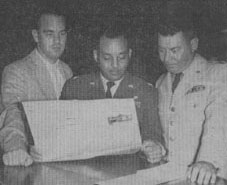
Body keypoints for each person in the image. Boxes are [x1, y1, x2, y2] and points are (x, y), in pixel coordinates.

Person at [155, 1, 227, 184]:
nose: (167, 59)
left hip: (208, 177)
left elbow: (220, 116)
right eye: (162, 51)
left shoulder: (218, 73)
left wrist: (207, 159)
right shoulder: (160, 83)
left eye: (174, 50)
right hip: (171, 178)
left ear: (193, 44)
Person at [61, 21, 164, 163]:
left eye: (121, 57)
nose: (115, 65)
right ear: (96, 56)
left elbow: (153, 132)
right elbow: (62, 134)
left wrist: (154, 145)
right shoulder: (75, 87)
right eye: (107, 58)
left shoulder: (145, 91)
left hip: (129, 171)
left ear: (129, 54)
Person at [0, 7, 73, 166]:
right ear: (36, 36)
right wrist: (15, 148)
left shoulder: (68, 71)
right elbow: (11, 112)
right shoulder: (16, 71)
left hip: (66, 160)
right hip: (29, 161)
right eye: (49, 34)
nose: (57, 41)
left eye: (62, 33)